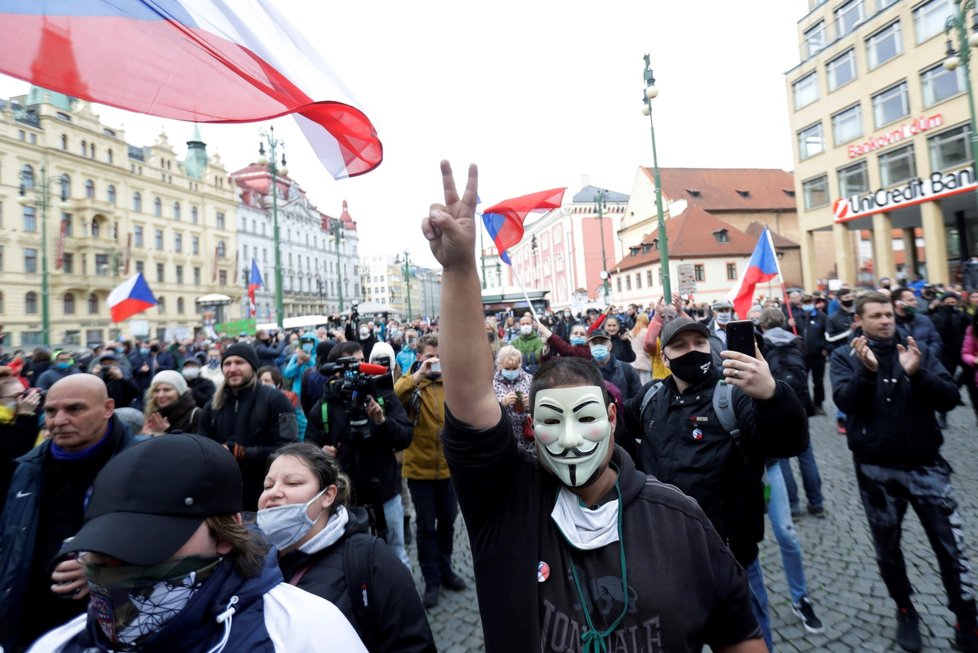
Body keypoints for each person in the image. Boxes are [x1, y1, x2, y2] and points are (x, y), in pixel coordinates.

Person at [422, 160, 765, 653]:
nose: (569, 438)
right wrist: (458, 268)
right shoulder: (507, 507)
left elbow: (739, 637)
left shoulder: (680, 520)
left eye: (585, 417)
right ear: (528, 429)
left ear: (610, 417)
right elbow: (473, 401)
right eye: (549, 421)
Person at [30, 433, 367, 652]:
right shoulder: (60, 644)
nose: (112, 566)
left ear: (223, 535)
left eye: (144, 544)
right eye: (103, 548)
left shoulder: (305, 633)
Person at [624, 315, 809, 651]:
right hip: (665, 556)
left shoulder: (733, 396)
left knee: (749, 637)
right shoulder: (651, 398)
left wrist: (772, 396)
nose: (692, 351)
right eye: (680, 346)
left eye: (699, 343)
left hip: (731, 555)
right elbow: (618, 431)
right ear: (665, 358)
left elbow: (789, 443)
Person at [830, 291, 978, 653]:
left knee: (951, 548)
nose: (885, 321)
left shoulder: (917, 352)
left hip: (926, 467)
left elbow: (949, 397)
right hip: (877, 472)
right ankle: (906, 609)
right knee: (888, 550)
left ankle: (966, 617)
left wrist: (919, 374)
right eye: (876, 316)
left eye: (888, 315)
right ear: (860, 321)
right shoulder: (844, 356)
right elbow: (845, 402)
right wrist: (867, 373)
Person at [0, 375, 137, 651]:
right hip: (29, 625)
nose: (58, 420)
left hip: (111, 627)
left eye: (75, 409)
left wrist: (110, 569)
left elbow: (182, 552)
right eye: (51, 411)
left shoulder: (143, 466)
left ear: (108, 408)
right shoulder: (26, 470)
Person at [258, 443, 435, 652]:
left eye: (293, 483)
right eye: (268, 486)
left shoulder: (371, 559)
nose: (274, 492)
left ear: (327, 495)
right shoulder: (249, 566)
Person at [305, 342, 414, 569]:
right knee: (354, 560)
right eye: (355, 364)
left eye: (363, 361)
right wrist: (321, 453)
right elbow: (307, 451)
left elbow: (405, 437)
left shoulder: (382, 395)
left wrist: (382, 421)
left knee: (396, 555)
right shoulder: (324, 407)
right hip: (346, 497)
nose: (363, 367)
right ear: (337, 369)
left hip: (385, 489)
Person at [394, 334, 467, 608]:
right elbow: (393, 396)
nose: (434, 362)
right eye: (429, 357)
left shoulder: (453, 382)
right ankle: (431, 579)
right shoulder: (412, 383)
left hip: (450, 468)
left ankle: (446, 568)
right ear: (419, 357)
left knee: (447, 521)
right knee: (425, 527)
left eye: (439, 357)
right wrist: (418, 375)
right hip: (419, 469)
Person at [198, 343, 298, 510]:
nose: (232, 368)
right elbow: (202, 443)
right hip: (224, 495)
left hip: (266, 493)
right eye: (227, 364)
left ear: (252, 367)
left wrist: (244, 453)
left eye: (239, 362)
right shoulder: (213, 405)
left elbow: (289, 448)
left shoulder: (274, 399)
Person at [758, 308, 824, 519]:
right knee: (806, 454)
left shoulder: (763, 343)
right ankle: (816, 503)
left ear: (763, 324)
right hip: (800, 402)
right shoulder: (797, 340)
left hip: (777, 401)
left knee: (781, 458)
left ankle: (793, 505)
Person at [0, 370, 40, 505]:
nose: (24, 400)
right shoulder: (19, 421)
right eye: (18, 396)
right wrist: (26, 416)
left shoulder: (13, 420)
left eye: (25, 393)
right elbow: (18, 452)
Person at [491, 345, 533, 453]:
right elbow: (485, 409)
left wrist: (531, 402)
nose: (511, 371)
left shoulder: (529, 379)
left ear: (520, 365)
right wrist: (502, 403)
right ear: (500, 366)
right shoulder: (492, 383)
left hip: (526, 436)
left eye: (514, 368)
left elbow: (540, 405)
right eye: (507, 368)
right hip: (502, 436)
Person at [140, 370, 202, 435]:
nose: (160, 395)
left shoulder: (196, 415)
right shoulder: (152, 414)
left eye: (167, 390)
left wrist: (163, 434)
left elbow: (197, 444)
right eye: (156, 390)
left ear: (179, 392)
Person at [588, 329, 641, 401]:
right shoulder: (585, 372)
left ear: (610, 345)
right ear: (589, 346)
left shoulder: (627, 370)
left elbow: (637, 398)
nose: (598, 346)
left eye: (602, 342)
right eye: (595, 343)